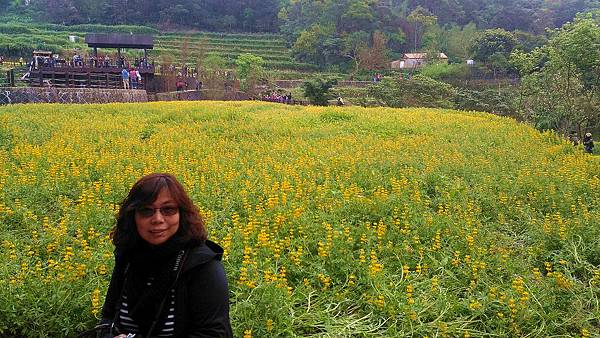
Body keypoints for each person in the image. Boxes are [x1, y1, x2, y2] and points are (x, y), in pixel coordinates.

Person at [97, 173, 232, 338]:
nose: (157, 219)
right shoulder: (128, 257)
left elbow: (214, 334)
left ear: (181, 214)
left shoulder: (202, 266)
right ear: (133, 216)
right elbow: (108, 318)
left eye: (168, 209)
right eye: (146, 210)